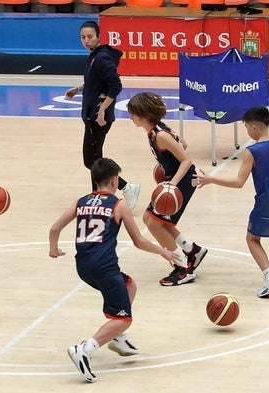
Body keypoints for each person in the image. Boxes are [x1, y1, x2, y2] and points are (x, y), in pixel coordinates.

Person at [49, 157, 182, 383]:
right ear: (114, 180)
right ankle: (85, 349)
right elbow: (139, 241)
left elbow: (54, 228)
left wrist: (54, 249)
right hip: (104, 267)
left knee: (129, 285)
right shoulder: (119, 205)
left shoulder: (81, 201)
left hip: (83, 266)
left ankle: (118, 339)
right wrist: (164, 252)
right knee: (124, 318)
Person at [194, 106, 269, 298]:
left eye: (245, 127)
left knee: (252, 239)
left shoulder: (252, 151)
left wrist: (211, 179)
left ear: (253, 127)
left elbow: (238, 182)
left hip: (266, 203)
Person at [126, 92, 208, 287]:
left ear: (143, 114)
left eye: (133, 113)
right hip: (175, 179)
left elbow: (187, 160)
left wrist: (172, 184)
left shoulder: (160, 135)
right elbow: (184, 144)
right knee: (151, 220)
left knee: (155, 224)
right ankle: (192, 251)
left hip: (184, 180)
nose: (130, 117)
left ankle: (182, 268)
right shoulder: (156, 130)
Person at [65, 20, 140, 210]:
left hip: (98, 118)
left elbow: (116, 86)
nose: (86, 41)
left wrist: (102, 109)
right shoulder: (94, 57)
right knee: (94, 159)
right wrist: (79, 88)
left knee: (92, 160)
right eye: (83, 37)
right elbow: (97, 82)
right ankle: (99, 194)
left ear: (99, 36)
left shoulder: (102, 58)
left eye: (90, 37)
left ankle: (125, 187)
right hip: (92, 115)